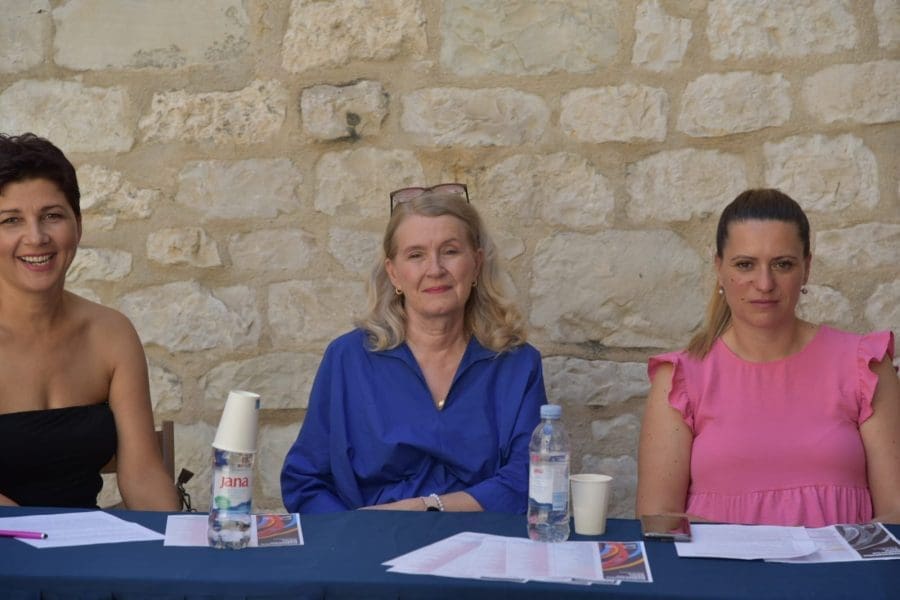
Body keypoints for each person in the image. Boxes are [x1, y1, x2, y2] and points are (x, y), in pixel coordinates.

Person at [636, 188, 900, 527]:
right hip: (716, 565)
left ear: (806, 268)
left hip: (841, 564)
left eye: (782, 264)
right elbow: (658, 520)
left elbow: (895, 517)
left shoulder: (865, 367)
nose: (764, 283)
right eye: (745, 264)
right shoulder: (680, 379)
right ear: (719, 268)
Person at [281, 183, 545, 514]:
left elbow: (529, 480)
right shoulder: (348, 359)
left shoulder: (517, 364)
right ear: (394, 273)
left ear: (476, 264)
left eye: (450, 251)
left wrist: (426, 508)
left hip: (483, 539)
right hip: (370, 540)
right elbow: (305, 481)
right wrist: (351, 532)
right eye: (416, 255)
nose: (435, 269)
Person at [0, 133, 179, 510]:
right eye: (11, 220)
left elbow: (143, 473)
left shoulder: (110, 334)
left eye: (52, 216)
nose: (36, 237)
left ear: (78, 226)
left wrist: (177, 537)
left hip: (88, 542)